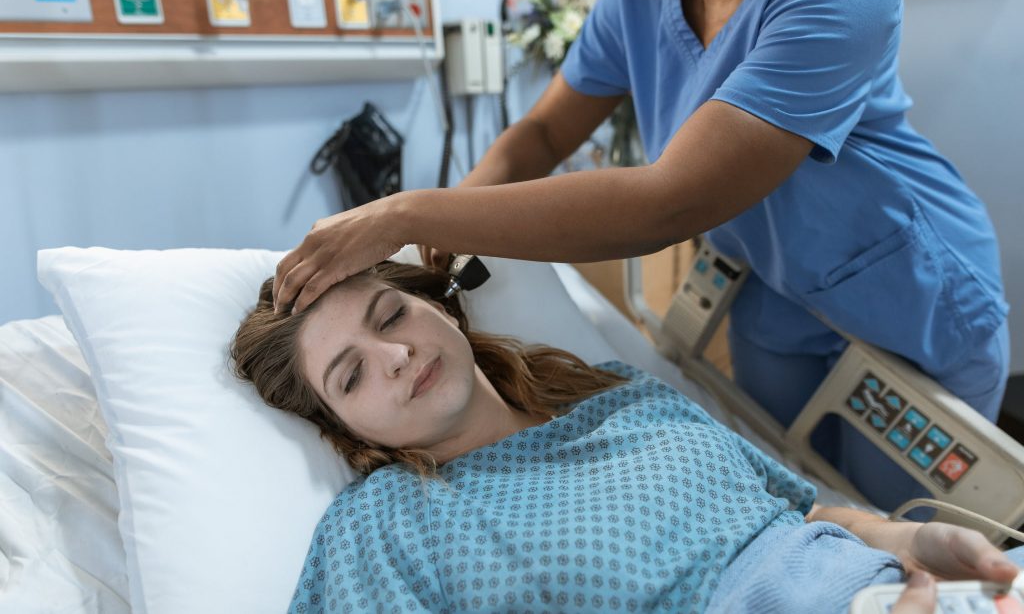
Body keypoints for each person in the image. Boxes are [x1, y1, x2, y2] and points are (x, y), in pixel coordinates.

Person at [270, 0, 1010, 513]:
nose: (396, 354)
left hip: (907, 288)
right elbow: (542, 135)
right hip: (772, 292)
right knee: (786, 483)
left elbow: (671, 200)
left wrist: (407, 209)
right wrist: (449, 223)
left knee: (893, 517)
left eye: (393, 313)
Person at [233, 261, 1020, 613]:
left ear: (439, 306)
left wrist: (907, 539)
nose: (397, 354)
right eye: (351, 375)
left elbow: (801, 509)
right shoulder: (385, 526)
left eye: (392, 314)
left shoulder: (614, 392)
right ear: (344, 429)